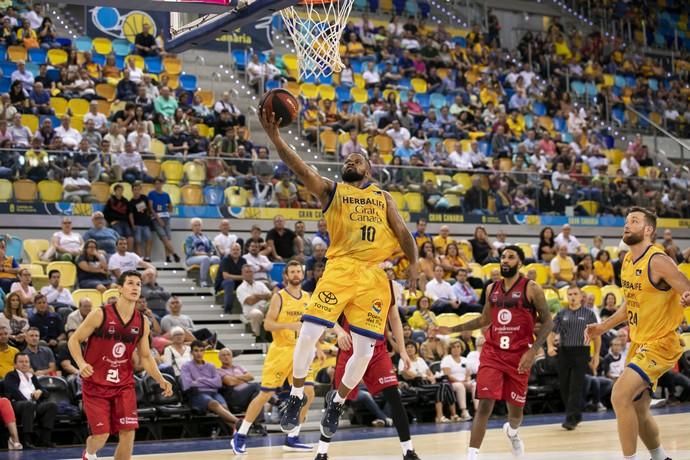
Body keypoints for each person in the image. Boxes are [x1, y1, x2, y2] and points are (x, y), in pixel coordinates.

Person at [259, 108, 418, 439]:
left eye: (358, 160)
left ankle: (337, 401)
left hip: (374, 276)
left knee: (363, 351)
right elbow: (299, 167)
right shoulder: (332, 190)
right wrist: (275, 137)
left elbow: (403, 234)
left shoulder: (382, 197)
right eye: (348, 160)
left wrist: (413, 265)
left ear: (369, 169)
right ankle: (295, 395)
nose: (352, 162)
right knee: (308, 332)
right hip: (341, 268)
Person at [585, 207, 690, 460]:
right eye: (626, 221)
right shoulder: (628, 261)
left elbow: (684, 286)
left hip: (662, 342)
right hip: (639, 343)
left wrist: (687, 295)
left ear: (648, 230)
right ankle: (660, 457)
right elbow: (629, 305)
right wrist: (602, 326)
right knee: (637, 408)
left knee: (619, 394)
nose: (627, 225)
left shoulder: (658, 260)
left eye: (634, 221)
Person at [437, 245, 553, 459]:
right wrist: (452, 330)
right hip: (493, 353)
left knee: (515, 413)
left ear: (519, 262)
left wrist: (534, 350)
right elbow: (484, 320)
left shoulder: (531, 288)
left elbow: (547, 322)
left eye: (510, 257)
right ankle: (472, 454)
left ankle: (513, 432)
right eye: (503, 257)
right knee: (484, 405)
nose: (505, 260)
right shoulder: (491, 288)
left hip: (520, 356)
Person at [68, 270, 172, 460]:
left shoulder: (142, 322)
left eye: (138, 284)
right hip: (95, 384)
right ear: (119, 288)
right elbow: (74, 340)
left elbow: (146, 357)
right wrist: (81, 363)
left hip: (123, 384)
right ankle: (89, 453)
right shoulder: (100, 314)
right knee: (101, 436)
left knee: (128, 433)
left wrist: (160, 379)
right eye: (130, 283)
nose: (135, 287)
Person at [231, 261, 318, 454]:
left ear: (302, 275)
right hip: (281, 351)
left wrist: (317, 346)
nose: (296, 274)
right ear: (286, 276)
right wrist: (289, 326)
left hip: (301, 351)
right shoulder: (279, 297)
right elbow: (267, 325)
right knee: (266, 394)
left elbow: (312, 325)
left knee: (309, 392)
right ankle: (241, 433)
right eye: (292, 272)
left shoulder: (308, 297)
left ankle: (293, 436)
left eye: (298, 271)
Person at [316, 301, 420, 460]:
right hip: (350, 347)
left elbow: (394, 317)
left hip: (377, 349)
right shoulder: (350, 279)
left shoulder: (387, 284)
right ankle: (321, 452)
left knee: (394, 396)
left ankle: (408, 451)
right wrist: (339, 331)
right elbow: (328, 310)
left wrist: (403, 351)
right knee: (338, 402)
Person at [547, 285, 600, 430]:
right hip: (564, 352)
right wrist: (551, 346)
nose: (572, 296)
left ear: (581, 296)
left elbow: (596, 336)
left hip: (581, 351)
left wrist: (596, 355)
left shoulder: (589, 314)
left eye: (575, 294)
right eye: (569, 294)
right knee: (564, 386)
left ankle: (570, 420)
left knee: (575, 386)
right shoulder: (561, 313)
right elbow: (551, 331)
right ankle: (576, 414)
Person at [179, 341, 239, 429]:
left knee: (224, 408)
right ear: (191, 352)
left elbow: (218, 383)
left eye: (201, 350)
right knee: (214, 403)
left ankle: (239, 431)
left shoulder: (211, 366)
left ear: (204, 352)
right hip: (197, 394)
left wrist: (200, 380)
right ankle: (239, 423)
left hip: (214, 393)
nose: (199, 353)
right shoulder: (186, 366)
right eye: (196, 351)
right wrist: (210, 382)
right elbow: (187, 384)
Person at [4, 352, 58, 448]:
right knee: (28, 405)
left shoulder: (32, 376)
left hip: (33, 404)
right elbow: (14, 392)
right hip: (17, 404)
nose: (24, 364)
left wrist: (40, 391)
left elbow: (46, 392)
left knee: (51, 405)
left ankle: (45, 439)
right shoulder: (11, 375)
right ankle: (27, 440)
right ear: (15, 364)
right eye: (21, 362)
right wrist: (30, 401)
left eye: (26, 362)